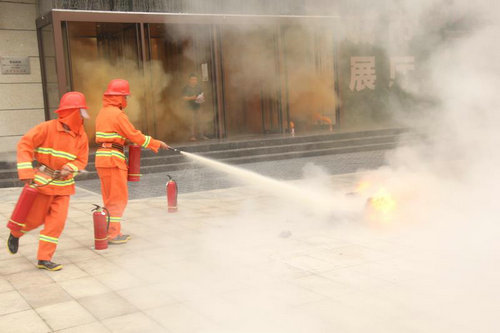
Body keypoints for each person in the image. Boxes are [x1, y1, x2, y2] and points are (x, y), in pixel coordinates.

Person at [7, 92, 90, 271]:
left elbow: (81, 160)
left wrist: (71, 167)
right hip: (43, 183)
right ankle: (15, 234)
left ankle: (44, 259)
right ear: (72, 112)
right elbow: (25, 144)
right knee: (35, 219)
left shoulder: (81, 136)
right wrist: (26, 171)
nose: (83, 117)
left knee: (56, 223)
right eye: (81, 112)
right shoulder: (47, 128)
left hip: (65, 186)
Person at [95, 79, 169, 244]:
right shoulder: (117, 114)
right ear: (119, 98)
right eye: (125, 97)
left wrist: (123, 140)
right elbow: (135, 135)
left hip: (102, 159)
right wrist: (156, 143)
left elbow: (111, 135)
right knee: (118, 198)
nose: (127, 100)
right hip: (114, 160)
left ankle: (108, 231)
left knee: (109, 198)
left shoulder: (103, 112)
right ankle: (113, 234)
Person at [182, 73, 205, 141]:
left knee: (200, 121)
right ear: (189, 80)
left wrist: (201, 98)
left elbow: (202, 95)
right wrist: (192, 98)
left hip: (198, 106)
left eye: (195, 80)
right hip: (189, 107)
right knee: (191, 122)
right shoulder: (186, 88)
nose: (194, 81)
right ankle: (192, 136)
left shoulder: (199, 87)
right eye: (192, 79)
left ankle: (201, 135)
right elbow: (183, 98)